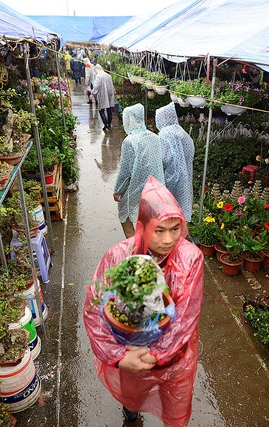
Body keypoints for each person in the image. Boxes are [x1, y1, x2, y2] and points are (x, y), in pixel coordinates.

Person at [84, 176, 205, 427]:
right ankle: (131, 411)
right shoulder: (119, 255)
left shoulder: (191, 258)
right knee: (133, 395)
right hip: (131, 352)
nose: (169, 239)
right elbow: (95, 309)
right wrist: (118, 356)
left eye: (175, 229)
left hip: (176, 357)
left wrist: (157, 356)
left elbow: (185, 318)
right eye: (159, 230)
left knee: (176, 407)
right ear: (143, 227)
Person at [113, 103, 165, 238]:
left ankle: (136, 252)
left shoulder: (130, 141)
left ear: (129, 119)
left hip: (137, 192)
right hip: (155, 190)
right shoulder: (154, 137)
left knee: (127, 219)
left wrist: (118, 191)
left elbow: (125, 172)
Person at [155, 102, 195, 222]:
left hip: (171, 182)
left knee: (167, 218)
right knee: (179, 214)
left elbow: (165, 160)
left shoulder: (165, 135)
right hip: (185, 179)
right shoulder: (182, 132)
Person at [92, 65, 116, 131]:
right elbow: (112, 85)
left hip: (103, 94)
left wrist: (93, 92)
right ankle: (109, 122)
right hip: (110, 94)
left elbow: (96, 85)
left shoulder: (99, 76)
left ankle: (105, 124)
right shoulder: (108, 75)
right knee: (109, 108)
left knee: (101, 110)